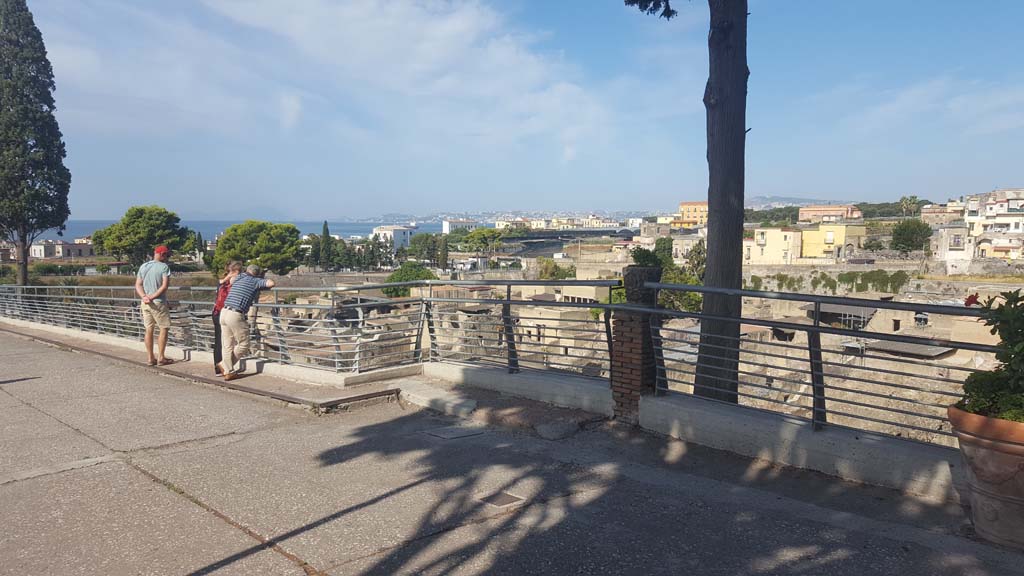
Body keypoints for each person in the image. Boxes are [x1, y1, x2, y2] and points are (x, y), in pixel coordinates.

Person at [218, 264, 275, 380]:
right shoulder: (256, 281)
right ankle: (225, 366)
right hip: (235, 314)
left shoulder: (239, 277)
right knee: (244, 344)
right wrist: (261, 280)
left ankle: (228, 370)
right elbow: (271, 283)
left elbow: (232, 279)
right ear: (257, 274)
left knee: (227, 344)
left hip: (224, 311)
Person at [135, 245, 173, 366]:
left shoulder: (144, 266)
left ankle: (150, 358)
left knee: (149, 329)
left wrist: (144, 297)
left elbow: (138, 285)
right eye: (167, 255)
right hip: (158, 303)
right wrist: (152, 297)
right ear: (162, 254)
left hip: (145, 303)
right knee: (164, 328)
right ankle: (161, 357)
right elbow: (164, 286)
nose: (167, 258)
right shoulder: (164, 267)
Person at [212, 261, 242, 375]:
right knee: (227, 342)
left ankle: (219, 367)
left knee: (220, 341)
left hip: (216, 312)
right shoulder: (233, 282)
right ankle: (224, 367)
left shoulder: (222, 282)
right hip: (225, 312)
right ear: (236, 272)